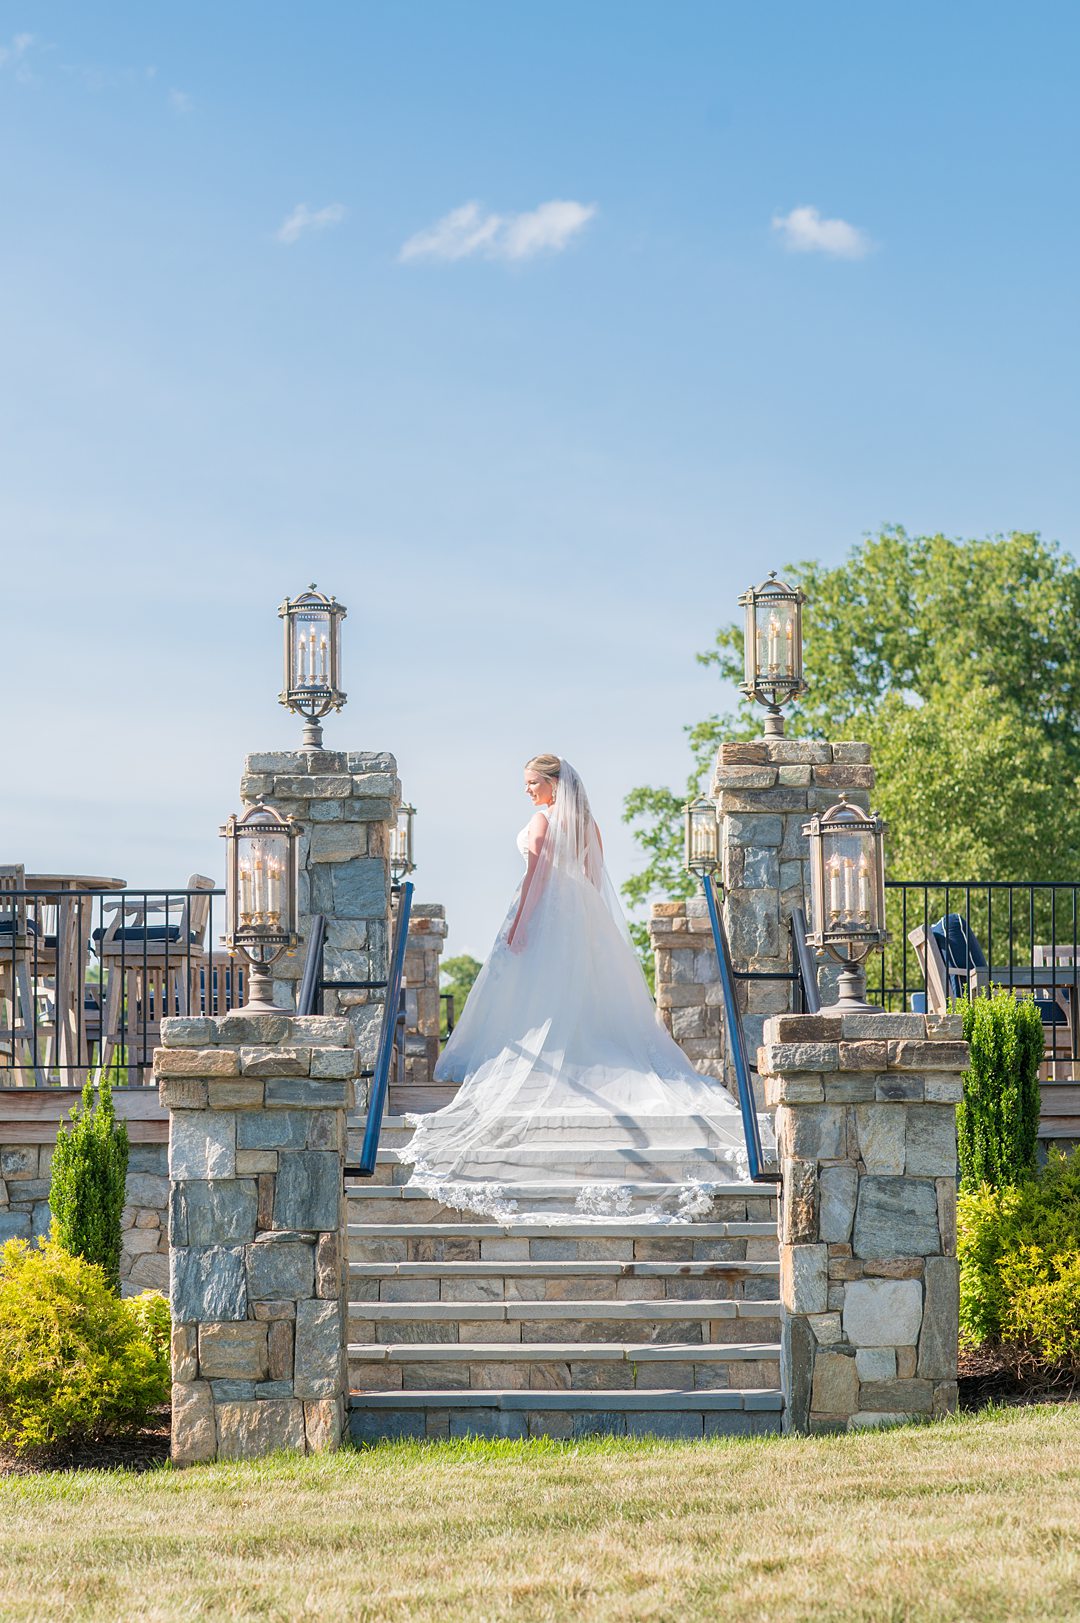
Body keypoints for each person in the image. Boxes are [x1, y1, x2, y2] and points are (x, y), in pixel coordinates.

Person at [399, 754, 765, 1219]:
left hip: (544, 913)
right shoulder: (590, 826)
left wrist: (521, 925)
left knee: (533, 999)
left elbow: (533, 878)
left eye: (533, 783)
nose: (528, 790)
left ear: (554, 785)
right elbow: (593, 882)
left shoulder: (542, 821)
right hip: (581, 917)